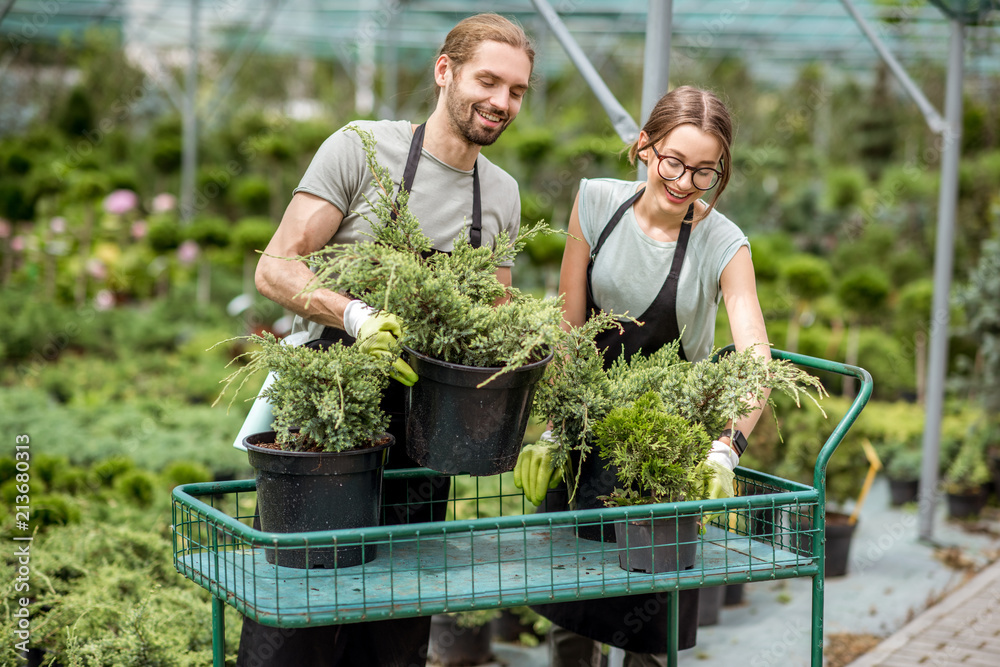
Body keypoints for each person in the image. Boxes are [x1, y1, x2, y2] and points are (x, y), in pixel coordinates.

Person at [234, 13, 535, 667]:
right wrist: (357, 316)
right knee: (297, 619)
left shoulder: (501, 195)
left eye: (516, 91)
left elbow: (495, 319)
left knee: (396, 632)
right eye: (489, 81)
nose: (501, 102)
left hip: (428, 434)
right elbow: (276, 265)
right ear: (443, 70)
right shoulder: (360, 148)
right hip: (326, 424)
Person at [519, 86, 771, 667]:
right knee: (570, 609)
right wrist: (558, 425)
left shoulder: (724, 243)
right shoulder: (595, 204)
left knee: (650, 630)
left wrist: (726, 448)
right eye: (674, 161)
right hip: (583, 436)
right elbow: (568, 328)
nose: (684, 182)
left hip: (662, 451)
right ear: (644, 145)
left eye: (704, 171)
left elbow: (758, 357)